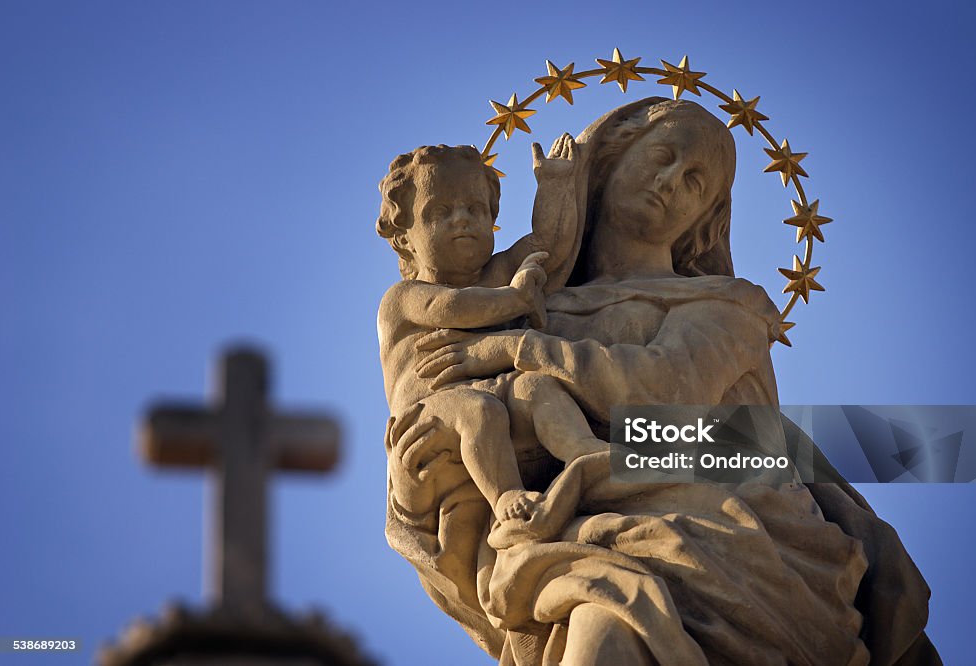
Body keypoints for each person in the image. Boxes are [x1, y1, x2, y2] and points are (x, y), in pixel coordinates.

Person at [386, 99, 937, 665]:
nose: (672, 182)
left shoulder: (727, 304)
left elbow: (663, 394)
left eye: (695, 182)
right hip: (570, 538)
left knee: (608, 628)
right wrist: (415, 485)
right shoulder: (520, 305)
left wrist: (517, 350)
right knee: (599, 618)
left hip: (720, 531)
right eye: (662, 157)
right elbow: (467, 470)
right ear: (610, 160)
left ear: (704, 216)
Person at [376, 140, 609, 545]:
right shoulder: (404, 296)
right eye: (440, 212)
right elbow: (451, 307)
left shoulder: (497, 270)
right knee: (479, 412)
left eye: (475, 210)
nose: (462, 221)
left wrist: (554, 184)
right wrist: (516, 299)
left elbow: (545, 248)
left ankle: (587, 453)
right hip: (432, 411)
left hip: (495, 393)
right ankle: (506, 497)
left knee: (537, 388)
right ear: (404, 238)